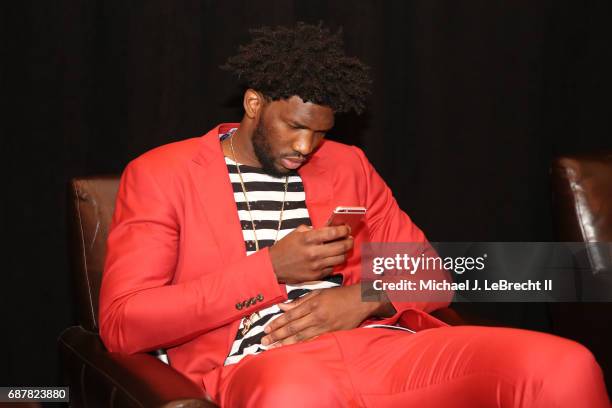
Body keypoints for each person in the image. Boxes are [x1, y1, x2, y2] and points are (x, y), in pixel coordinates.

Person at [99, 23, 610, 407]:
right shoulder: (163, 173)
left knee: (566, 365)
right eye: (295, 127)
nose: (306, 146)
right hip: (265, 366)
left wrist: (362, 300)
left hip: (380, 346)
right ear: (254, 103)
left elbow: (434, 275)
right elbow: (124, 324)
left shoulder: (347, 165)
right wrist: (271, 270)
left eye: (320, 132)